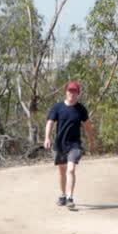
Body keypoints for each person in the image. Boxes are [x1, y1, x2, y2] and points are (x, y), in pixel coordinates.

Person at [43, 80, 95, 209]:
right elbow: (50, 122)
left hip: (74, 145)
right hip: (60, 144)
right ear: (66, 92)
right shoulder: (58, 107)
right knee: (62, 172)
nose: (72, 93)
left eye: (74, 91)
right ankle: (63, 195)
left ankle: (70, 197)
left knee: (71, 169)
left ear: (78, 93)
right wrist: (47, 138)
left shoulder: (81, 109)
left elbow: (87, 126)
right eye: (70, 91)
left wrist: (91, 141)